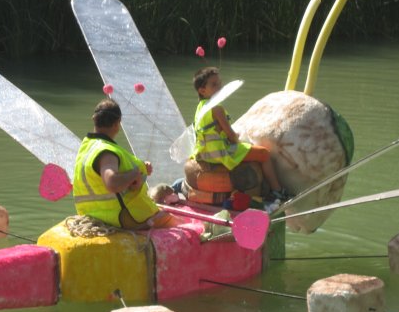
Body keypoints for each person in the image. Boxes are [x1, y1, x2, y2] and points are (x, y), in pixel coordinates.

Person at [72, 98, 181, 230]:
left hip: (92, 214)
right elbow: (112, 182)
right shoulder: (107, 152)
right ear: (117, 124)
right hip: (123, 217)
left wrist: (141, 169)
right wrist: (135, 173)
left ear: (94, 119)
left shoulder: (87, 147)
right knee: (177, 224)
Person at [192, 66, 290, 201]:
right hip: (219, 154)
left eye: (219, 83)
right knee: (264, 153)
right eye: (214, 85)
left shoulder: (200, 108)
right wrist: (237, 140)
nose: (219, 87)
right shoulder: (217, 108)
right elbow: (231, 136)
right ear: (202, 91)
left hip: (205, 153)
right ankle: (277, 190)